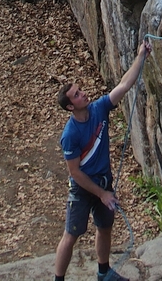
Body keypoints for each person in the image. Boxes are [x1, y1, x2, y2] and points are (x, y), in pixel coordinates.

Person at [53, 40, 152, 281]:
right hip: (84, 189)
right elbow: (75, 172)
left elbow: (124, 85)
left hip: (103, 182)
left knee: (104, 227)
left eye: (80, 90)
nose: (83, 93)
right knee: (71, 234)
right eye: (77, 95)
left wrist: (141, 55)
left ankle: (103, 272)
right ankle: (58, 279)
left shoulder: (99, 109)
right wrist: (101, 193)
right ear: (70, 106)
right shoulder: (70, 135)